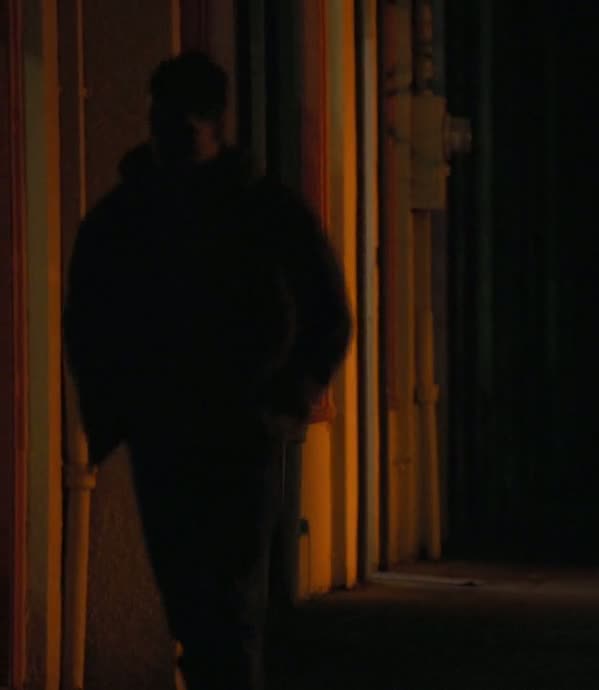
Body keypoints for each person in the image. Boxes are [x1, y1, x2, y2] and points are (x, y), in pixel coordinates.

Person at [63, 51, 352, 690]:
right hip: (186, 429)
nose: (175, 131)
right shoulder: (153, 216)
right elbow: (89, 318)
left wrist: (285, 397)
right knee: (201, 605)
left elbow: (327, 311)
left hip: (228, 430)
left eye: (185, 118)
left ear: (214, 121)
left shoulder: (148, 216)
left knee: (225, 601)